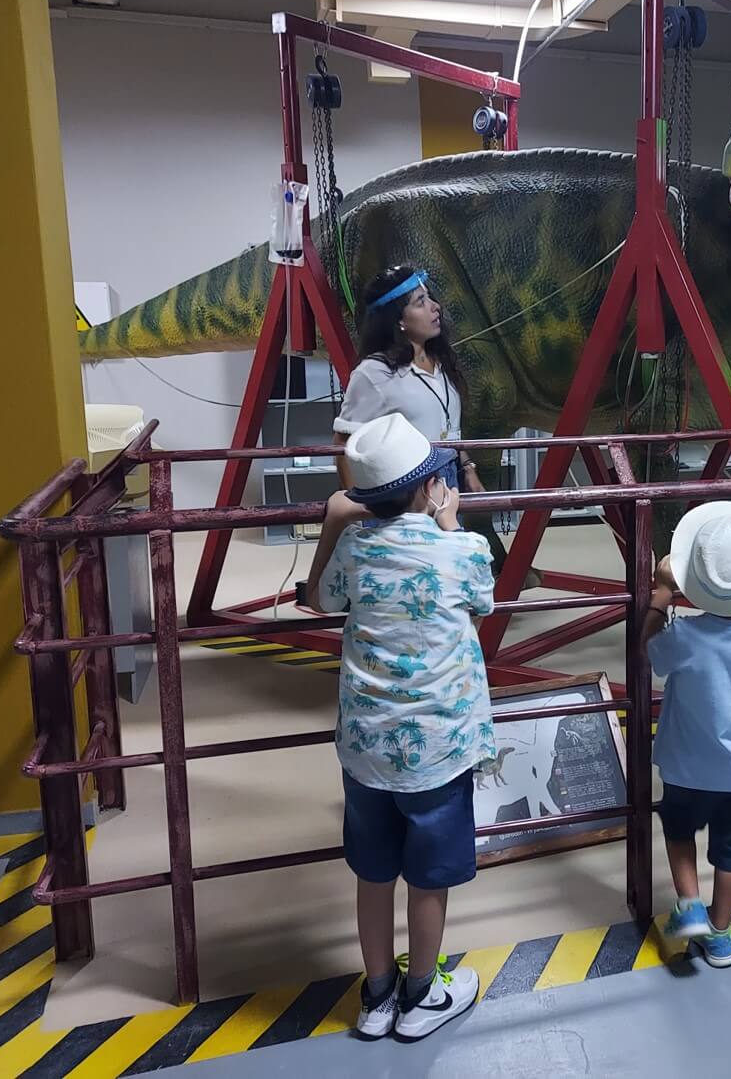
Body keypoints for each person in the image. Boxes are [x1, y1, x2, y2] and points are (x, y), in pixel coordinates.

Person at [303, 412, 497, 1042]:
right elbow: (483, 600)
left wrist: (334, 524)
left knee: (373, 873)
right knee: (428, 880)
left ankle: (378, 995)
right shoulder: (463, 549)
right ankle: (422, 997)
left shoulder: (355, 549)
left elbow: (319, 599)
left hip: (366, 752)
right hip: (439, 750)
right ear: (430, 488)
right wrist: (451, 525)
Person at [642, 501, 731, 968]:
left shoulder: (684, 638)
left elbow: (647, 650)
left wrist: (663, 593)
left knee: (679, 832)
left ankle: (690, 906)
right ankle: (720, 936)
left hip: (686, 768)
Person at [332, 264, 483, 495]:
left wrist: (468, 468)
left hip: (447, 484)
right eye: (420, 302)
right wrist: (355, 504)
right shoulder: (374, 372)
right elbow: (344, 443)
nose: (435, 307)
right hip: (402, 491)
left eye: (430, 298)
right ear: (398, 320)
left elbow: (447, 429)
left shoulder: (441, 362)